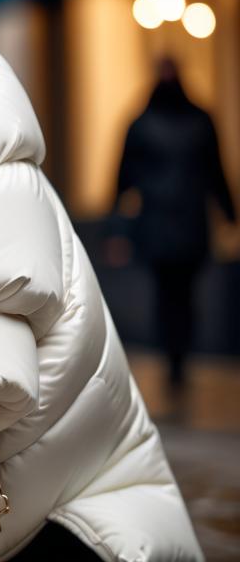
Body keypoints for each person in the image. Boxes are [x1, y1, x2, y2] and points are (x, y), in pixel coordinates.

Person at [116, 56, 236, 395]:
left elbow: (124, 176)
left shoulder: (146, 123)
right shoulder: (196, 120)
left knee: (173, 295)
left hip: (171, 223)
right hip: (178, 223)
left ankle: (176, 360)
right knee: (177, 295)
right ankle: (176, 360)